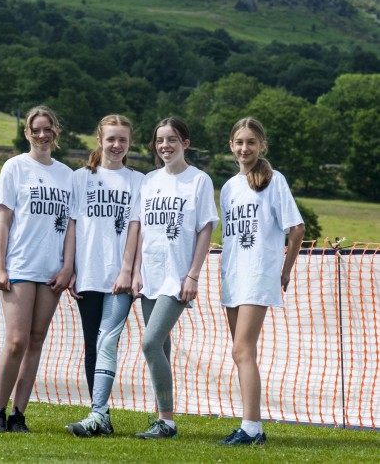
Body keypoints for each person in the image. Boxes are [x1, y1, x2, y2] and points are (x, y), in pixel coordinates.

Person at [218, 117, 305, 446]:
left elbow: (296, 229)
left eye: (251, 142)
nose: (244, 148)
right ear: (231, 146)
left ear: (261, 145)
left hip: (258, 275)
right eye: (239, 142)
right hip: (233, 277)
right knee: (241, 353)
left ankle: (252, 428)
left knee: (242, 350)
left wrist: (284, 270)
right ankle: (248, 424)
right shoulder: (228, 188)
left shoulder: (274, 181)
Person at [0, 105, 74, 433]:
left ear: (56, 132)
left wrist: (68, 267)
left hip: (51, 271)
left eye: (47, 128)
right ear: (27, 133)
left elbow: (70, 226)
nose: (42, 134)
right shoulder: (15, 167)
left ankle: (18, 415)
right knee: (16, 341)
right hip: (20, 266)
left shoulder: (67, 175)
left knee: (36, 341)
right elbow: (3, 222)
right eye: (35, 129)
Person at [131, 117, 219, 439]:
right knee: (161, 348)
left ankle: (166, 421)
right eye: (159, 140)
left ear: (185, 142)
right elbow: (140, 230)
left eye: (171, 139)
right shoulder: (149, 180)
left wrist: (193, 275)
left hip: (177, 278)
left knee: (150, 343)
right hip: (149, 277)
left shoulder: (199, 181)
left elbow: (205, 229)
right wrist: (137, 272)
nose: (164, 145)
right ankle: (162, 419)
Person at [65, 114, 144, 437]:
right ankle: (101, 415)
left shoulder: (138, 180)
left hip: (120, 279)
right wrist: (69, 268)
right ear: (99, 140)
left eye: (122, 139)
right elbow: (71, 225)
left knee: (107, 340)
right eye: (111, 139)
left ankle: (97, 415)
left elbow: (137, 230)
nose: (116, 145)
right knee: (92, 345)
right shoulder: (79, 178)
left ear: (129, 143)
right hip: (88, 274)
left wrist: (127, 271)